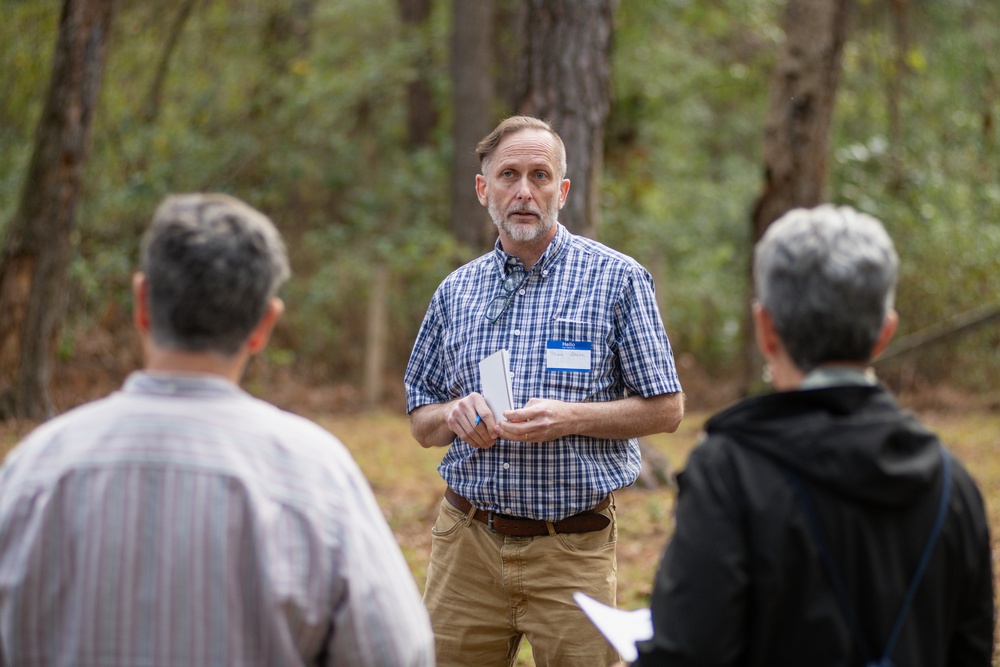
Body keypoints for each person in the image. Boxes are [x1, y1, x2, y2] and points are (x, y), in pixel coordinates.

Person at [0, 193, 435, 666]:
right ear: (264, 325)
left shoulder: (33, 471)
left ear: (141, 300)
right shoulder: (317, 476)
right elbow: (397, 653)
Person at [630, 205, 994, 666]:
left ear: (766, 329)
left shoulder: (728, 474)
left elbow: (686, 652)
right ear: (885, 334)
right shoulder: (953, 485)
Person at [404, 115, 685, 666]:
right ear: (485, 189)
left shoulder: (617, 280)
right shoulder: (456, 291)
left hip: (572, 548)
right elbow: (421, 419)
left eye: (541, 175)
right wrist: (453, 415)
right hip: (466, 546)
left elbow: (668, 409)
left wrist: (570, 418)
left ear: (563, 190)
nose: (524, 191)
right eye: (509, 175)